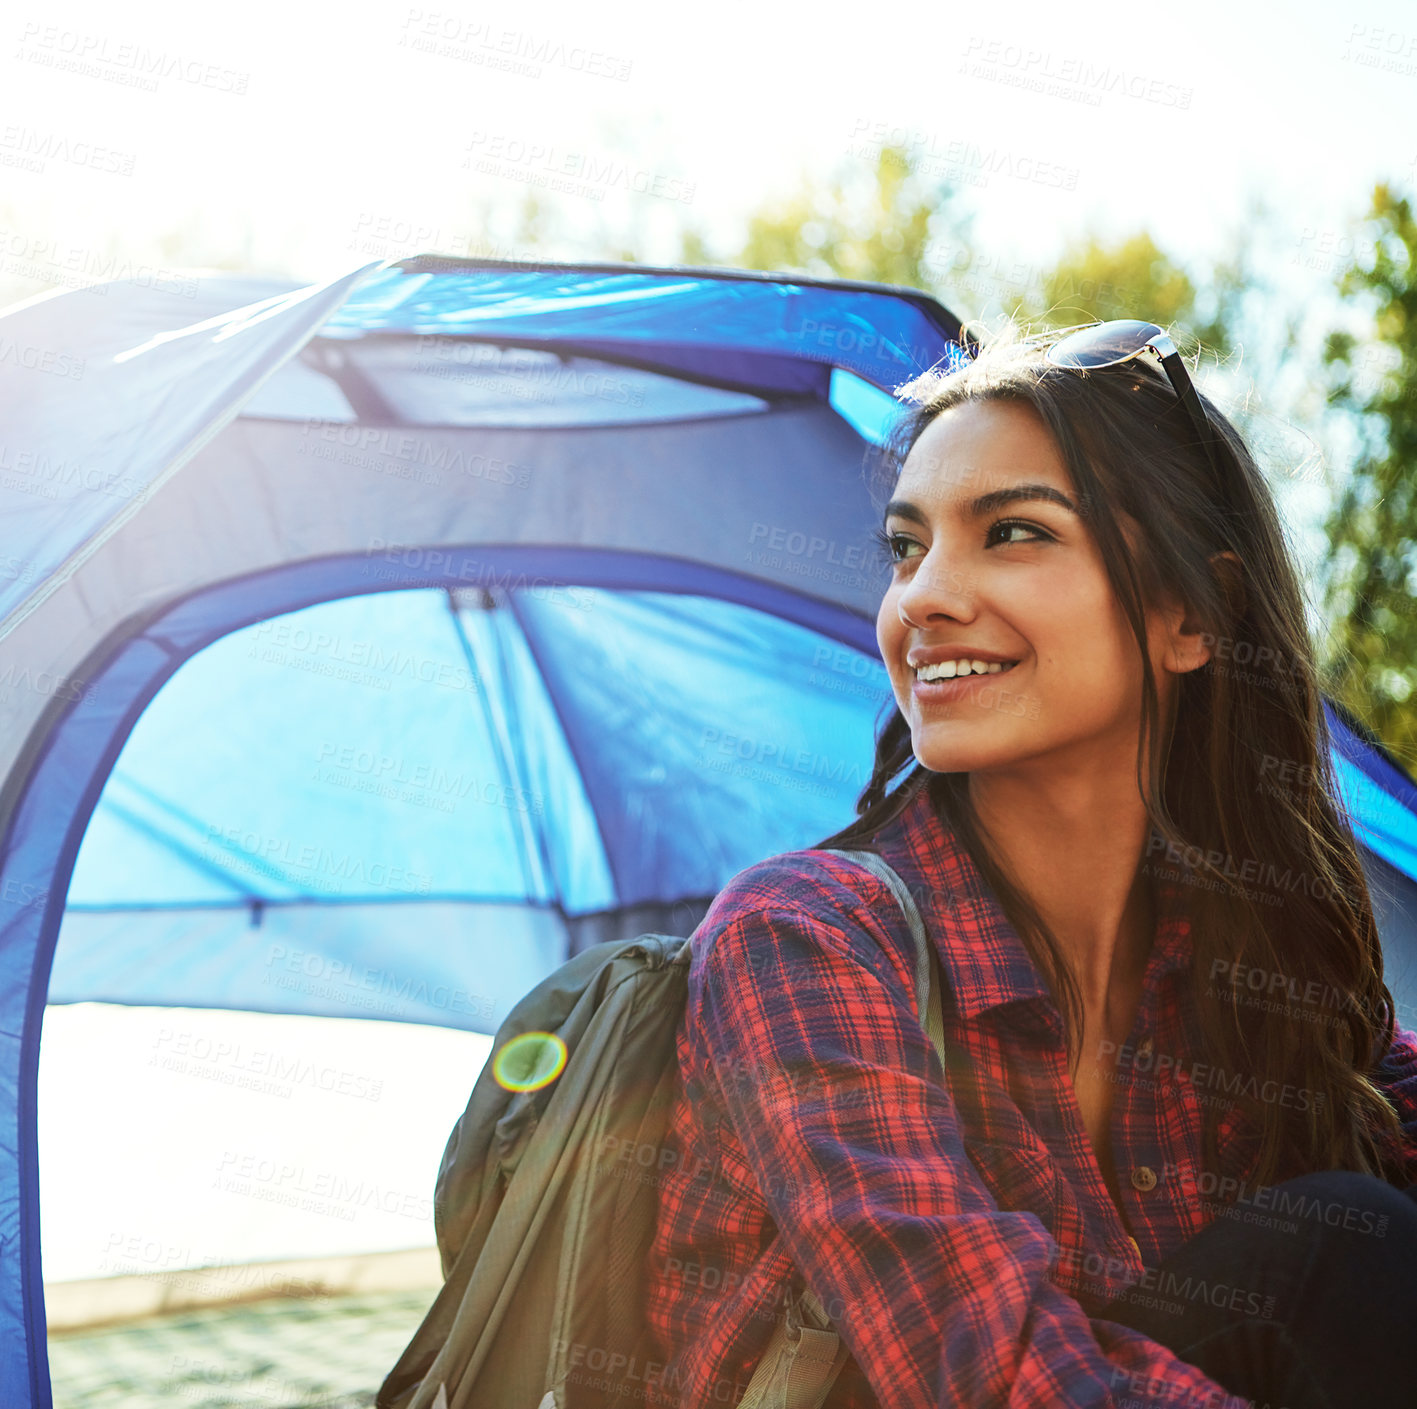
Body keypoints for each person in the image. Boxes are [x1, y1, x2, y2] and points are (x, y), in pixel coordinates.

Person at [639, 319, 1417, 1409]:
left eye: (1009, 532)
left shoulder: (1258, 972)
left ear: (1194, 613)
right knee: (1340, 1254)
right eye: (906, 548)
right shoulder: (807, 940)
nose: (922, 599)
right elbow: (994, 1379)